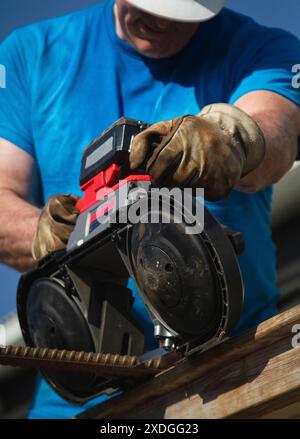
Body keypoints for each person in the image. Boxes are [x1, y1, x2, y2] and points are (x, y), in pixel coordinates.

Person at [0, 0, 299, 419]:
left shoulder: (264, 49)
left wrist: (226, 139)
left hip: (237, 368)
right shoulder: (30, 54)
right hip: (81, 392)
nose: (158, 17)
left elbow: (276, 130)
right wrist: (53, 235)